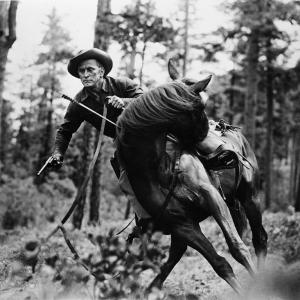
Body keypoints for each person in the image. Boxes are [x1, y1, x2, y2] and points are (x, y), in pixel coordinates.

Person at [49, 48, 150, 219]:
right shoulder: (78, 102)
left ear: (101, 71)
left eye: (90, 70)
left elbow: (146, 100)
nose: (85, 75)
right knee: (126, 178)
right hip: (124, 143)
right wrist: (58, 153)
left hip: (148, 131)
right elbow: (65, 130)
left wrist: (124, 101)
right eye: (82, 71)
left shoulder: (121, 84)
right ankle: (144, 219)